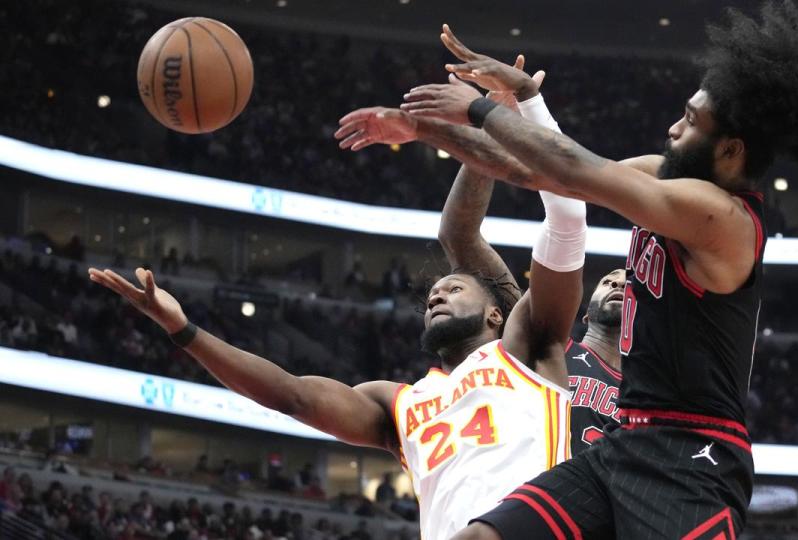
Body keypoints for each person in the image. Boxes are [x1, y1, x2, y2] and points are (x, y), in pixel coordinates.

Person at [336, 2, 798, 537]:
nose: (671, 128)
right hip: (627, 439)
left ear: (731, 149)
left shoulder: (723, 220)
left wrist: (480, 111)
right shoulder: (664, 176)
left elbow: (574, 170)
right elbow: (541, 173)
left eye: (689, 122)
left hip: (692, 459)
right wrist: (430, 125)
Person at [88, 160, 587, 540]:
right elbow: (292, 395)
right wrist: (183, 329)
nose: (436, 294)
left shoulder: (524, 350)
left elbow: (550, 232)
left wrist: (489, 126)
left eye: (455, 289)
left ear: (497, 313)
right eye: (434, 293)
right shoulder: (399, 403)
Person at [433, 68, 624, 456]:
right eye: (607, 280)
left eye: (628, 282)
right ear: (583, 312)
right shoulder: (542, 333)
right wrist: (491, 128)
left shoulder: (655, 390)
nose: (619, 284)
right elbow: (459, 236)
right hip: (529, 500)